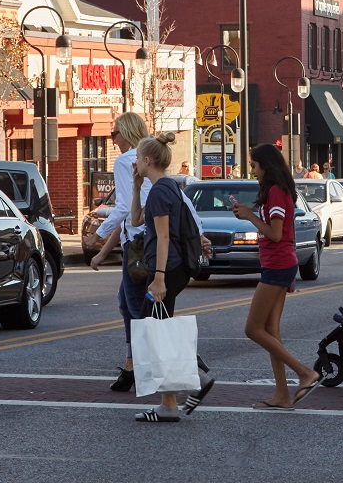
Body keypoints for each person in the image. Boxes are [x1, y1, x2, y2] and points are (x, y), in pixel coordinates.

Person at [231, 143, 322, 409]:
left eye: (254, 165)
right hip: (281, 264)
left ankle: (305, 373)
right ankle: (282, 395)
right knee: (271, 332)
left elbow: (275, 233)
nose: (252, 170)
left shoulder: (274, 191)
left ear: (266, 166)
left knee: (253, 329)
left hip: (278, 265)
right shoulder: (276, 190)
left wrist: (248, 216)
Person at [132, 131, 214, 423]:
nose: (135, 163)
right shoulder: (164, 187)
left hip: (169, 269)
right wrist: (135, 185)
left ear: (147, 159)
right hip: (173, 268)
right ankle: (169, 403)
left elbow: (164, 237)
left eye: (137, 158)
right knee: (157, 329)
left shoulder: (160, 192)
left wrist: (159, 277)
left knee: (152, 328)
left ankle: (199, 377)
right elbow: (135, 221)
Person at [90, 112, 152, 392]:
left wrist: (100, 232)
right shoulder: (150, 157)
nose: (112, 138)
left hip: (139, 245)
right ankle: (132, 364)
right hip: (150, 240)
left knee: (137, 308)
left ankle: (140, 366)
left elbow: (126, 209)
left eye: (114, 133)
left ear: (126, 133)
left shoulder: (126, 161)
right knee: (130, 304)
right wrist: (104, 252)